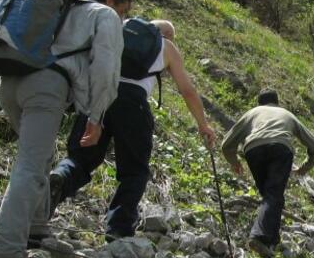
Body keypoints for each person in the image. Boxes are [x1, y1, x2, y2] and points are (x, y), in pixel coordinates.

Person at [0, 0, 129, 258]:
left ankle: (36, 227)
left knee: (40, 155)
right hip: (46, 87)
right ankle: (5, 254)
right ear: (112, 1)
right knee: (31, 165)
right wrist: (96, 115)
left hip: (9, 82)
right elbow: (105, 68)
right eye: (125, 11)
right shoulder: (104, 16)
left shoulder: (56, 8)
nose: (124, 18)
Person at [50, 19, 217, 241]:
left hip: (99, 94)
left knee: (80, 158)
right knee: (135, 171)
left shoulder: (119, 28)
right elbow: (187, 90)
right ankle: (118, 227)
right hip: (133, 104)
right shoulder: (166, 46)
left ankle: (59, 178)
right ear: (166, 34)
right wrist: (203, 124)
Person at [222, 90, 314, 256]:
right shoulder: (287, 115)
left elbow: (226, 144)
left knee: (270, 195)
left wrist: (235, 162)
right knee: (273, 194)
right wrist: (304, 169)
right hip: (280, 148)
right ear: (277, 102)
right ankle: (258, 237)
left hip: (253, 149)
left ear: (259, 103)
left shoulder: (251, 114)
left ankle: (271, 241)